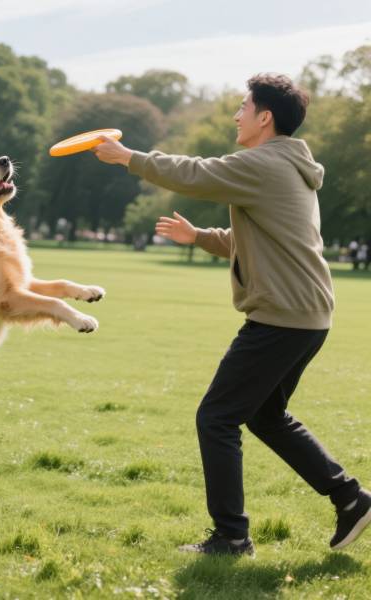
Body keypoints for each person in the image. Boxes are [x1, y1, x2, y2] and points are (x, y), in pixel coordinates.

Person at [93, 73, 370, 555]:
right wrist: (199, 236)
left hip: (282, 317)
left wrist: (130, 159)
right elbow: (255, 241)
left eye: (243, 107)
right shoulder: (284, 167)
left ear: (265, 118)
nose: (236, 116)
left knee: (216, 417)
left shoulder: (263, 162)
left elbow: (196, 173)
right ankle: (351, 499)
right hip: (305, 315)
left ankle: (232, 536)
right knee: (265, 416)